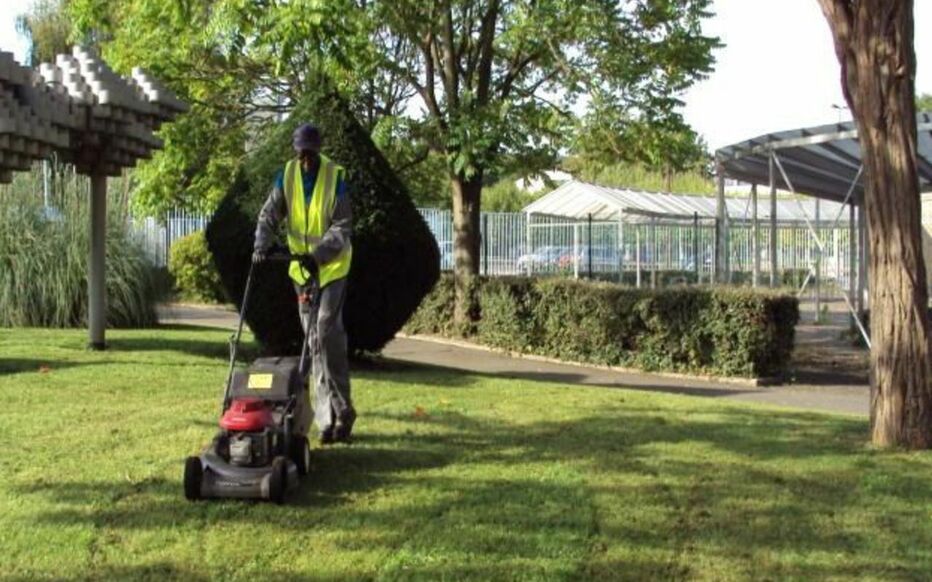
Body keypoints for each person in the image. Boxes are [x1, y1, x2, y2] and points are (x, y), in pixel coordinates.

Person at [252, 123, 355, 444]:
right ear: (295, 152)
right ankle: (330, 421)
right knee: (314, 343)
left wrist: (319, 254)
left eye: (310, 153)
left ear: (318, 150)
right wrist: (261, 245)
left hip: (333, 267)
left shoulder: (334, 177)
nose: (305, 159)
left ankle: (342, 410)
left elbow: (343, 225)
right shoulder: (287, 175)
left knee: (325, 330)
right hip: (302, 272)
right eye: (301, 154)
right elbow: (269, 214)